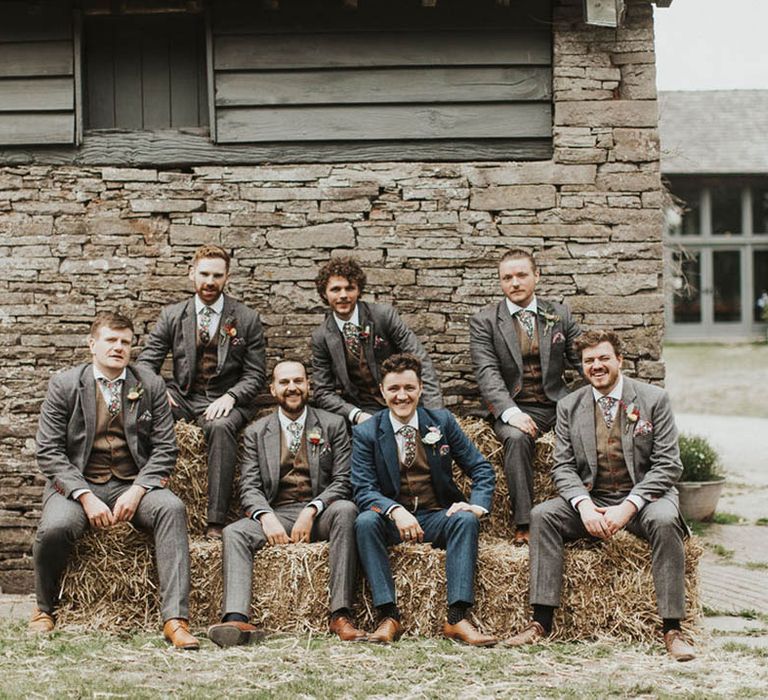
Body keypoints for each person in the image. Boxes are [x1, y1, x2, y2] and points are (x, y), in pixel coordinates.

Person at [504, 330, 696, 662]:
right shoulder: (569, 405)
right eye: (589, 360)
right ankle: (540, 622)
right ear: (582, 367)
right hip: (594, 497)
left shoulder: (653, 399)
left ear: (619, 360)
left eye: (604, 358)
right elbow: (562, 467)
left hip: (645, 499)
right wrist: (584, 507)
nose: (597, 366)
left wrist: (628, 507)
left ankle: (672, 629)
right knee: (542, 515)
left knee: (666, 521)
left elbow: (668, 465)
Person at [29, 312, 198, 649]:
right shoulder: (65, 385)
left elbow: (165, 449)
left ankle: (175, 620)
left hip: (131, 482)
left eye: (125, 342)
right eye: (111, 340)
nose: (118, 347)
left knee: (172, 508)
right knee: (55, 528)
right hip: (78, 484)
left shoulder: (148, 385)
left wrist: (137, 490)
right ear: (93, 344)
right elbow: (48, 451)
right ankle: (44, 608)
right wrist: (84, 495)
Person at [207, 360, 366, 647]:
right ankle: (236, 618)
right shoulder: (257, 432)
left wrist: (313, 508)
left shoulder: (333, 424)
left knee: (347, 510)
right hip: (277, 514)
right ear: (273, 389)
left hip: (322, 514)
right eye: (284, 382)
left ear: (308, 386)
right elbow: (250, 486)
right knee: (234, 532)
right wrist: (265, 516)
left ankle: (340, 613)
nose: (292, 388)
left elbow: (343, 480)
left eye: (298, 381)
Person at [352, 353, 497, 646]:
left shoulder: (441, 422)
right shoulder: (367, 432)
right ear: (382, 392)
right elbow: (363, 489)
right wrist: (394, 511)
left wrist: (476, 505)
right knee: (365, 521)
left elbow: (481, 468)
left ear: (420, 389)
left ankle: (456, 618)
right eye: (393, 389)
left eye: (409, 388)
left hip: (434, 516)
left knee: (465, 520)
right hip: (391, 523)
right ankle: (388, 616)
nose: (401, 396)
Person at [138, 245, 266, 538]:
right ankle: (142, 500)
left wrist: (231, 397)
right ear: (191, 274)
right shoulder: (173, 315)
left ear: (227, 278)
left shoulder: (246, 318)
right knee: (145, 412)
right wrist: (158, 391)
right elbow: (146, 364)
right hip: (184, 396)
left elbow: (255, 374)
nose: (210, 281)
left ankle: (216, 521)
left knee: (220, 428)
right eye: (204, 274)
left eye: (217, 275)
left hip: (227, 398)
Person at [469, 248, 582, 544]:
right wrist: (511, 413)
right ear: (500, 283)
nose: (515, 283)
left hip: (556, 404)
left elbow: (582, 358)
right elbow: (487, 373)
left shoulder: (559, 313)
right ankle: (524, 522)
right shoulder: (485, 321)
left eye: (521, 275)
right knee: (517, 440)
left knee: (587, 432)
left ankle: (589, 513)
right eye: (507, 278)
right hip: (514, 406)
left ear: (537, 276)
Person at [311, 256, 442, 427]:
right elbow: (323, 392)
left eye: (349, 288)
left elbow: (420, 360)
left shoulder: (383, 316)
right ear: (324, 293)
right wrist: (356, 414)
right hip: (365, 409)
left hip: (404, 399)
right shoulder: (321, 337)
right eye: (335, 289)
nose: (343, 295)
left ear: (358, 291)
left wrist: (436, 414)